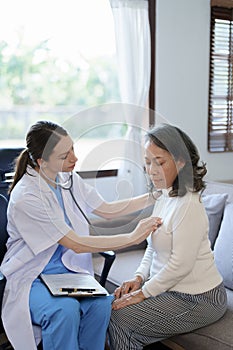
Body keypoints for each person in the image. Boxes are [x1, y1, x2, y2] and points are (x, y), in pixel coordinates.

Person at [0, 120, 162, 350]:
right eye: (64, 156)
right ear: (41, 161)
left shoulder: (67, 179)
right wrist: (133, 237)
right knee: (65, 310)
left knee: (101, 304)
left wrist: (154, 196)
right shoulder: (27, 196)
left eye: (73, 148)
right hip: (33, 276)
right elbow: (74, 243)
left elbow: (106, 209)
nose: (74, 158)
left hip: (69, 274)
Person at [108, 123, 227, 350]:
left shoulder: (188, 205)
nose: (151, 170)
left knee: (120, 319)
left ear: (180, 161)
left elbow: (180, 265)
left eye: (159, 162)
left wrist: (143, 294)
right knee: (111, 307)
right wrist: (139, 278)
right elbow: (152, 246)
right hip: (170, 290)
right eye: (147, 162)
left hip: (200, 298)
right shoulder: (165, 196)